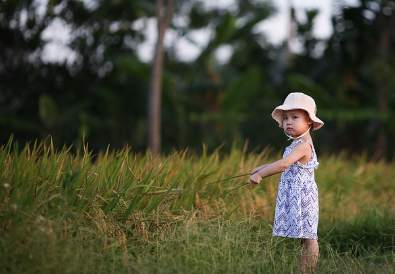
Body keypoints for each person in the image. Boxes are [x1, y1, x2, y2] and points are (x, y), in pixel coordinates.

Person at [248, 92, 324, 273]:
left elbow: (283, 165)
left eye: (295, 117)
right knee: (302, 237)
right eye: (286, 118)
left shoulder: (304, 145)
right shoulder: (296, 144)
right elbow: (286, 165)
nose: (288, 121)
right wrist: (263, 168)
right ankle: (302, 269)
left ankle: (309, 270)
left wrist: (261, 175)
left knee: (309, 238)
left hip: (303, 198)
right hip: (296, 196)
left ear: (309, 122)